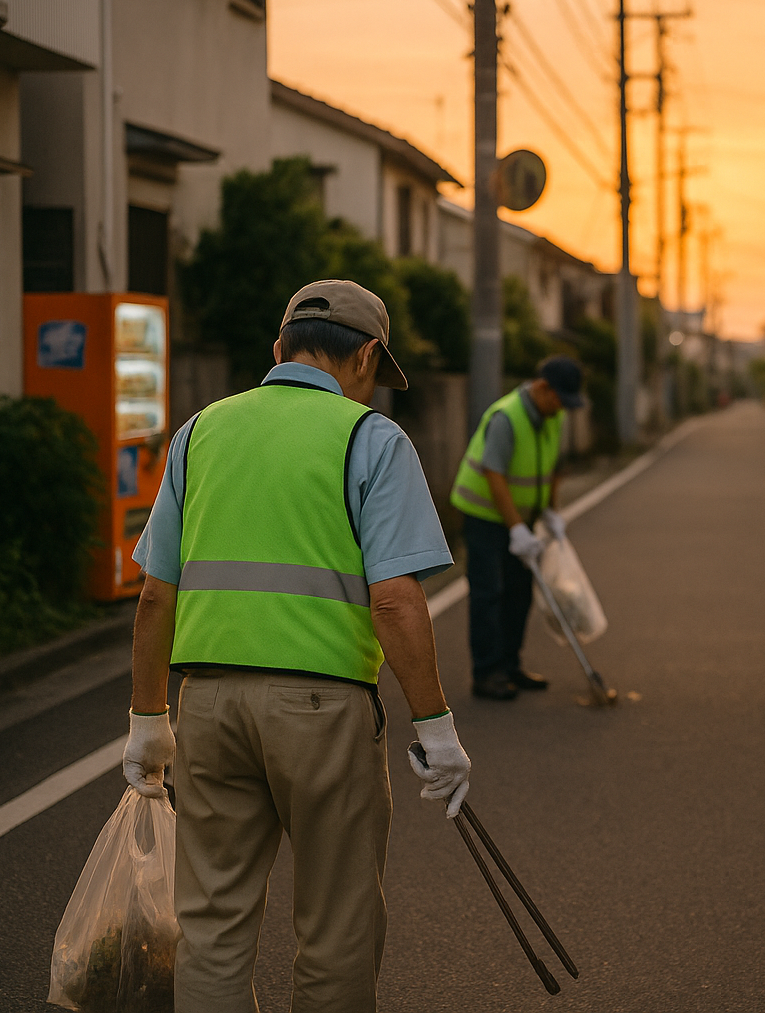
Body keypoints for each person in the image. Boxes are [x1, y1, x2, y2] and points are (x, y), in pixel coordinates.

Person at [119, 280, 471, 1012]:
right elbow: (395, 600)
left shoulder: (199, 431)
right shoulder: (372, 438)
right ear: (368, 357)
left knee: (211, 927)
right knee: (336, 927)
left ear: (278, 349)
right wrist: (435, 728)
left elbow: (156, 593)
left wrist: (148, 719)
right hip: (324, 713)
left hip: (208, 708)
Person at [452, 356, 585, 700]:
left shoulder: (550, 416)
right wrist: (516, 529)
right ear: (542, 388)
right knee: (488, 592)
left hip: (522, 519)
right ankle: (486, 673)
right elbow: (493, 475)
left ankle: (510, 666)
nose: (562, 409)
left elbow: (552, 467)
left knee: (519, 592)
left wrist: (552, 514)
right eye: (559, 399)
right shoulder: (506, 417)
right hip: (485, 517)